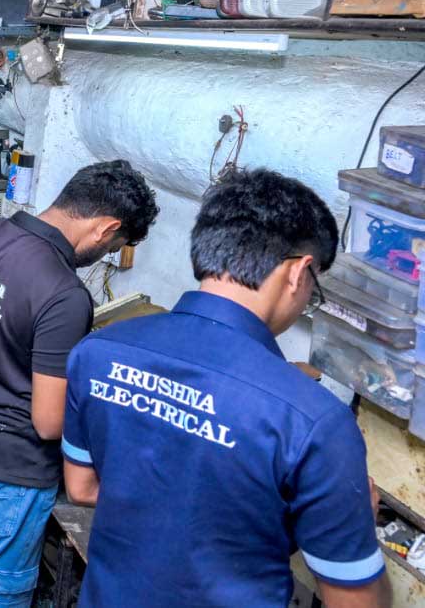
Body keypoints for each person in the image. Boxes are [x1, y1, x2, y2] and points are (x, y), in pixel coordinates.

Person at [61, 169, 389, 608]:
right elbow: (356, 602)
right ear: (298, 272)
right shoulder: (314, 421)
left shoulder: (98, 352)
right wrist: (350, 522)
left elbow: (81, 488)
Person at [0, 161, 159, 608]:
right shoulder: (64, 293)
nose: (105, 254)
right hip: (9, 470)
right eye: (113, 247)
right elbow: (49, 422)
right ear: (106, 228)